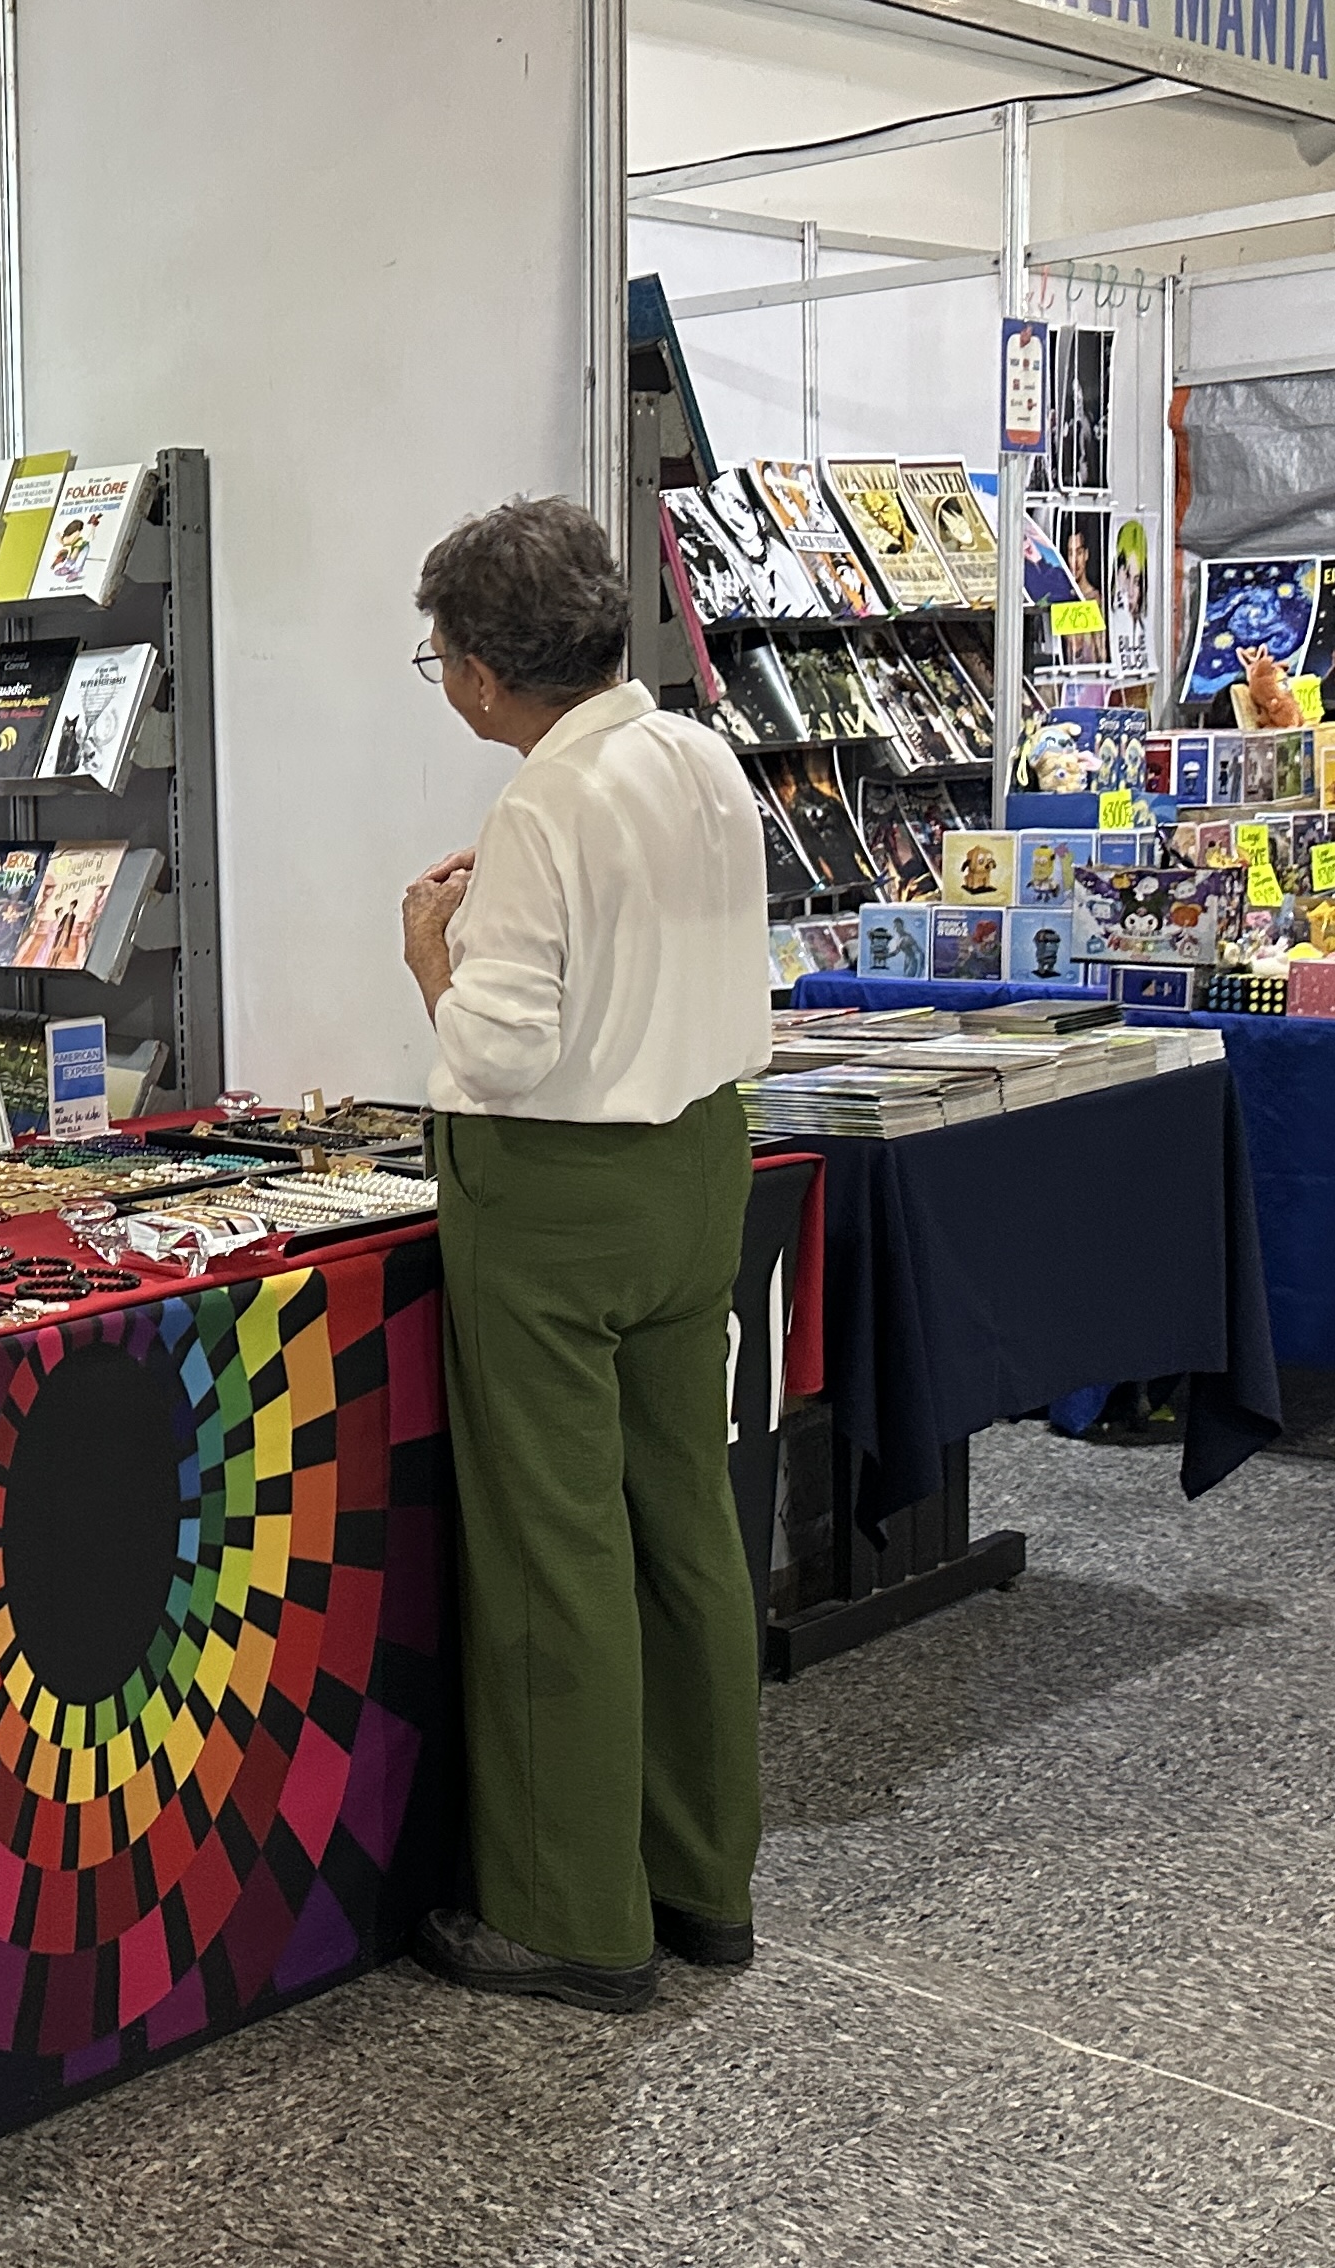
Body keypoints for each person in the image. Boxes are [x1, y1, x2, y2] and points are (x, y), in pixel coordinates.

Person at [394, 496, 773, 2015]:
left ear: (484, 671)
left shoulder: (543, 804)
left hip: (554, 1194)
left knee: (554, 1546)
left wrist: (433, 953)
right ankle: (703, 1878)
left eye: (438, 659)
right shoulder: (700, 754)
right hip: (700, 1160)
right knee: (685, 1522)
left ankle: (571, 1914)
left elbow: (501, 1048)